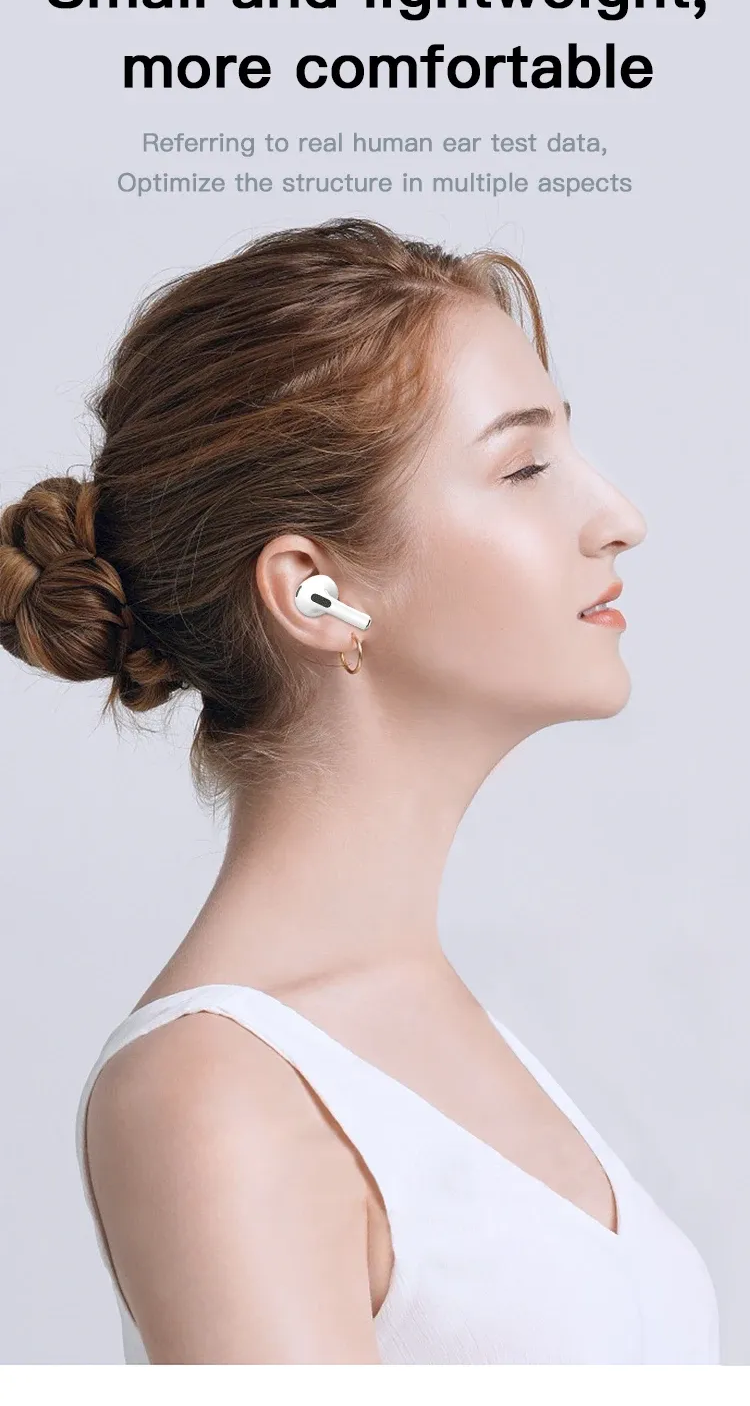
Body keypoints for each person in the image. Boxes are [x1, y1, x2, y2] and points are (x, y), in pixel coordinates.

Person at [0, 217, 720, 1364]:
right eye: (525, 468)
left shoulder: (436, 1025)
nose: (619, 516)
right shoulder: (217, 1091)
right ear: (315, 594)